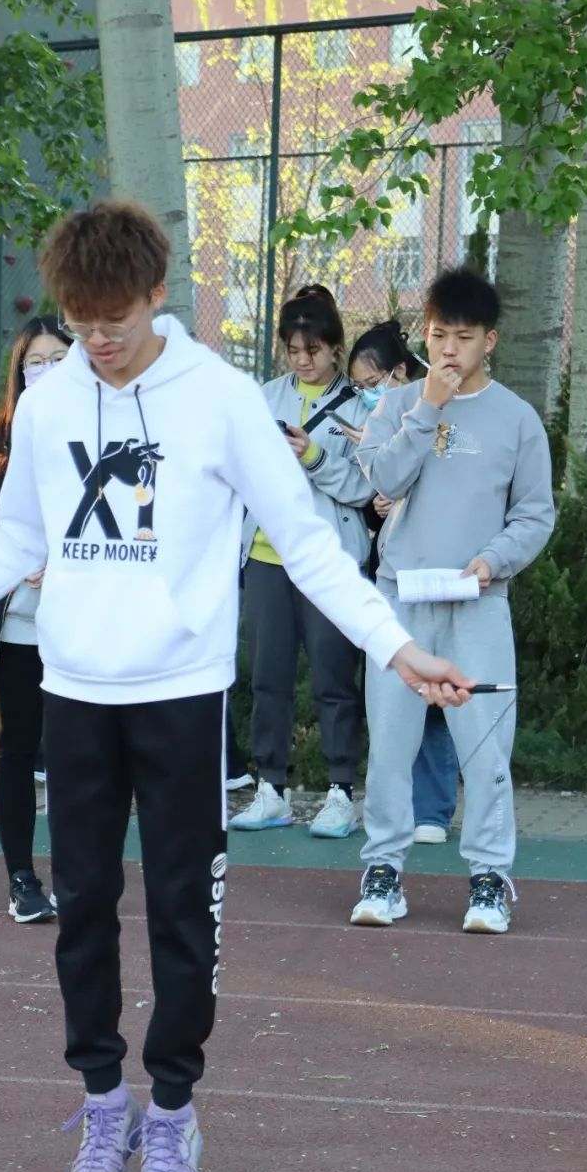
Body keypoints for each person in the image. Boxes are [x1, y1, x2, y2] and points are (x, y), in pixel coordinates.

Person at [0, 200, 473, 1172]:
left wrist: (395, 647)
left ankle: (173, 1112)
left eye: (115, 321)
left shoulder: (219, 399)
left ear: (156, 295)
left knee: (186, 913)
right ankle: (104, 1107)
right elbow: (16, 540)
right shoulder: (49, 402)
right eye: (79, 322)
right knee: (82, 909)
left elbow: (308, 543)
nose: (97, 340)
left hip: (182, 697)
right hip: (75, 693)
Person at [351, 267, 554, 934]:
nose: (448, 350)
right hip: (399, 602)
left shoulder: (517, 419)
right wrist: (427, 408)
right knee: (390, 745)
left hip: (477, 602)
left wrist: (494, 559)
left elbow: (535, 515)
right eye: (439, 335)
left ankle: (490, 878)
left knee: (486, 748)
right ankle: (383, 871)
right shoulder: (395, 405)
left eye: (463, 338)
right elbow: (382, 479)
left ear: (488, 341)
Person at [231, 284, 374, 840]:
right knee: (268, 677)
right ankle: (271, 789)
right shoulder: (265, 397)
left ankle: (341, 791)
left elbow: (365, 489)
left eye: (312, 350)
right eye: (292, 350)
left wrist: (312, 456)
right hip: (265, 556)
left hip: (327, 560)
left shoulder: (361, 406)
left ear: (335, 347)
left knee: (335, 678)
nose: (302, 360)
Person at [0, 316, 70, 924]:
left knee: (80, 748)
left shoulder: (102, 432)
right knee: (18, 741)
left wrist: (66, 562)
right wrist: (16, 560)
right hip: (15, 622)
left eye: (59, 360)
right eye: (36, 362)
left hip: (82, 622)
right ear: (19, 372)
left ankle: (78, 872)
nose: (47, 372)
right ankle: (22, 878)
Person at [347, 319, 460, 845]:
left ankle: (433, 809)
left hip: (452, 574)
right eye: (359, 388)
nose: (367, 395)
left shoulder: (460, 408)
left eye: (373, 383)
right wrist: (382, 502)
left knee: (439, 694)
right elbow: (382, 483)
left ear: (399, 370)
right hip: (394, 576)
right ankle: (391, 818)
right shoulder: (387, 413)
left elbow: (456, 485)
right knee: (396, 693)